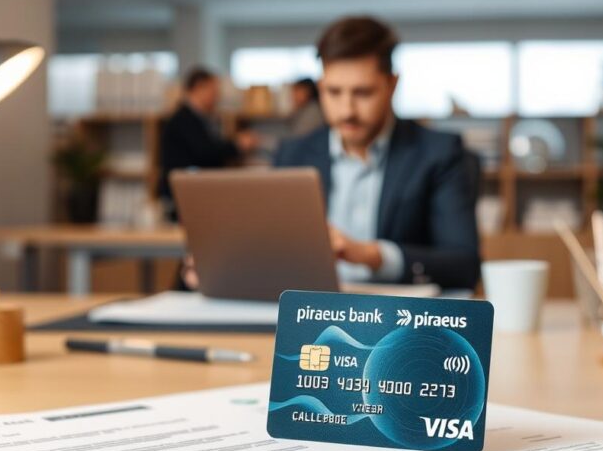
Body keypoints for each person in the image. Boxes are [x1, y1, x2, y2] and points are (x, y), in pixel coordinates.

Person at [274, 16, 480, 290]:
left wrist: (373, 256)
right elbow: (270, 251)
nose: (347, 110)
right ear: (320, 87)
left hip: (397, 319)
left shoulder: (439, 154)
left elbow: (464, 265)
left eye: (363, 93)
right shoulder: (291, 156)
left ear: (392, 84)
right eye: (334, 92)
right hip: (307, 313)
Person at [159, 67, 258, 207]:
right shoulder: (184, 119)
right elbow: (205, 152)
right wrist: (237, 145)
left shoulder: (199, 118)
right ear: (200, 88)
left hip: (192, 192)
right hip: (184, 195)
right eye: (214, 91)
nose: (217, 97)